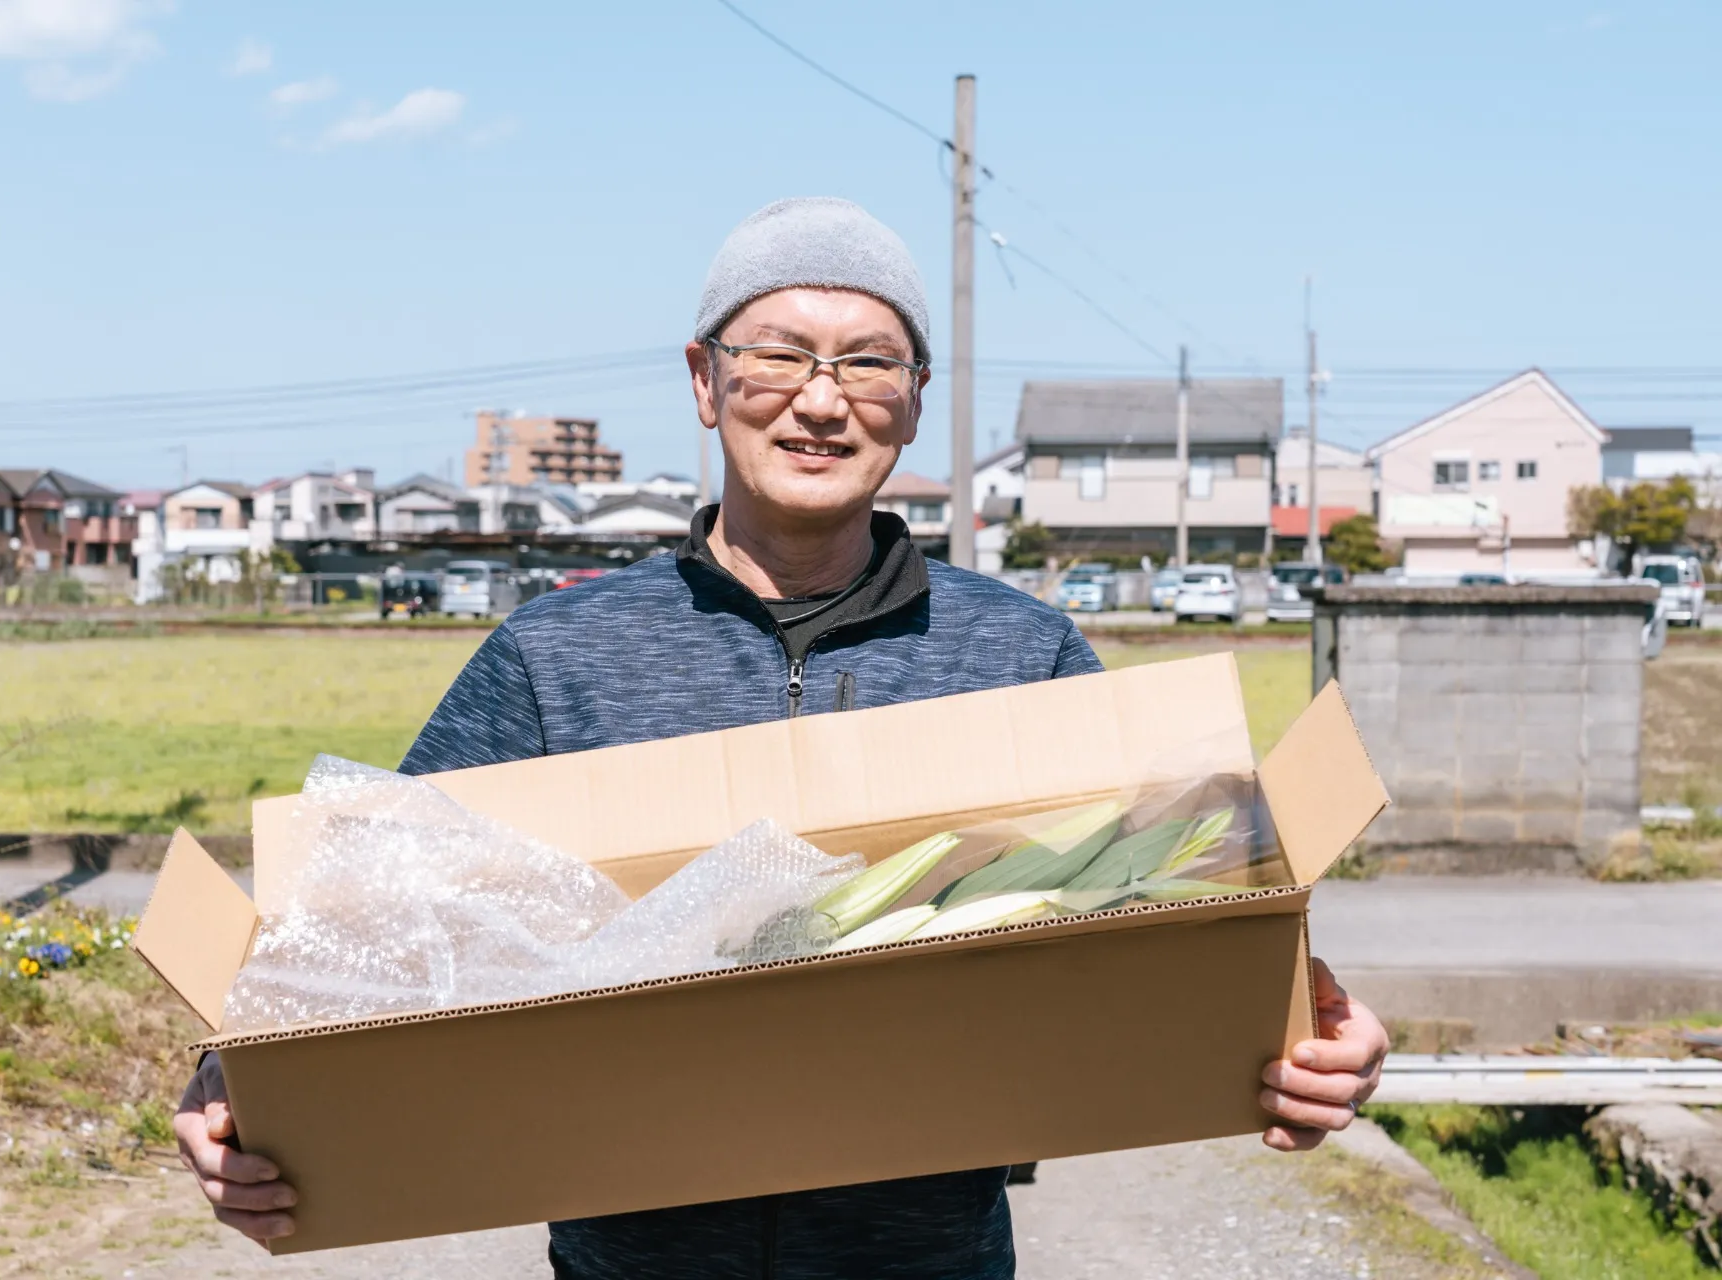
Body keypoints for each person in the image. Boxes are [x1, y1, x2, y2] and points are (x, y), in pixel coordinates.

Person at [173, 196, 1390, 1277]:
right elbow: (353, 927)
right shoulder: (558, 660)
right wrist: (234, 1086)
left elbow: (1192, 918)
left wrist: (1311, 1038)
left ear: (914, 403)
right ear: (705, 383)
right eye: (777, 356)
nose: (821, 398)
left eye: (869, 362)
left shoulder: (1022, 659)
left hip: (930, 1257)